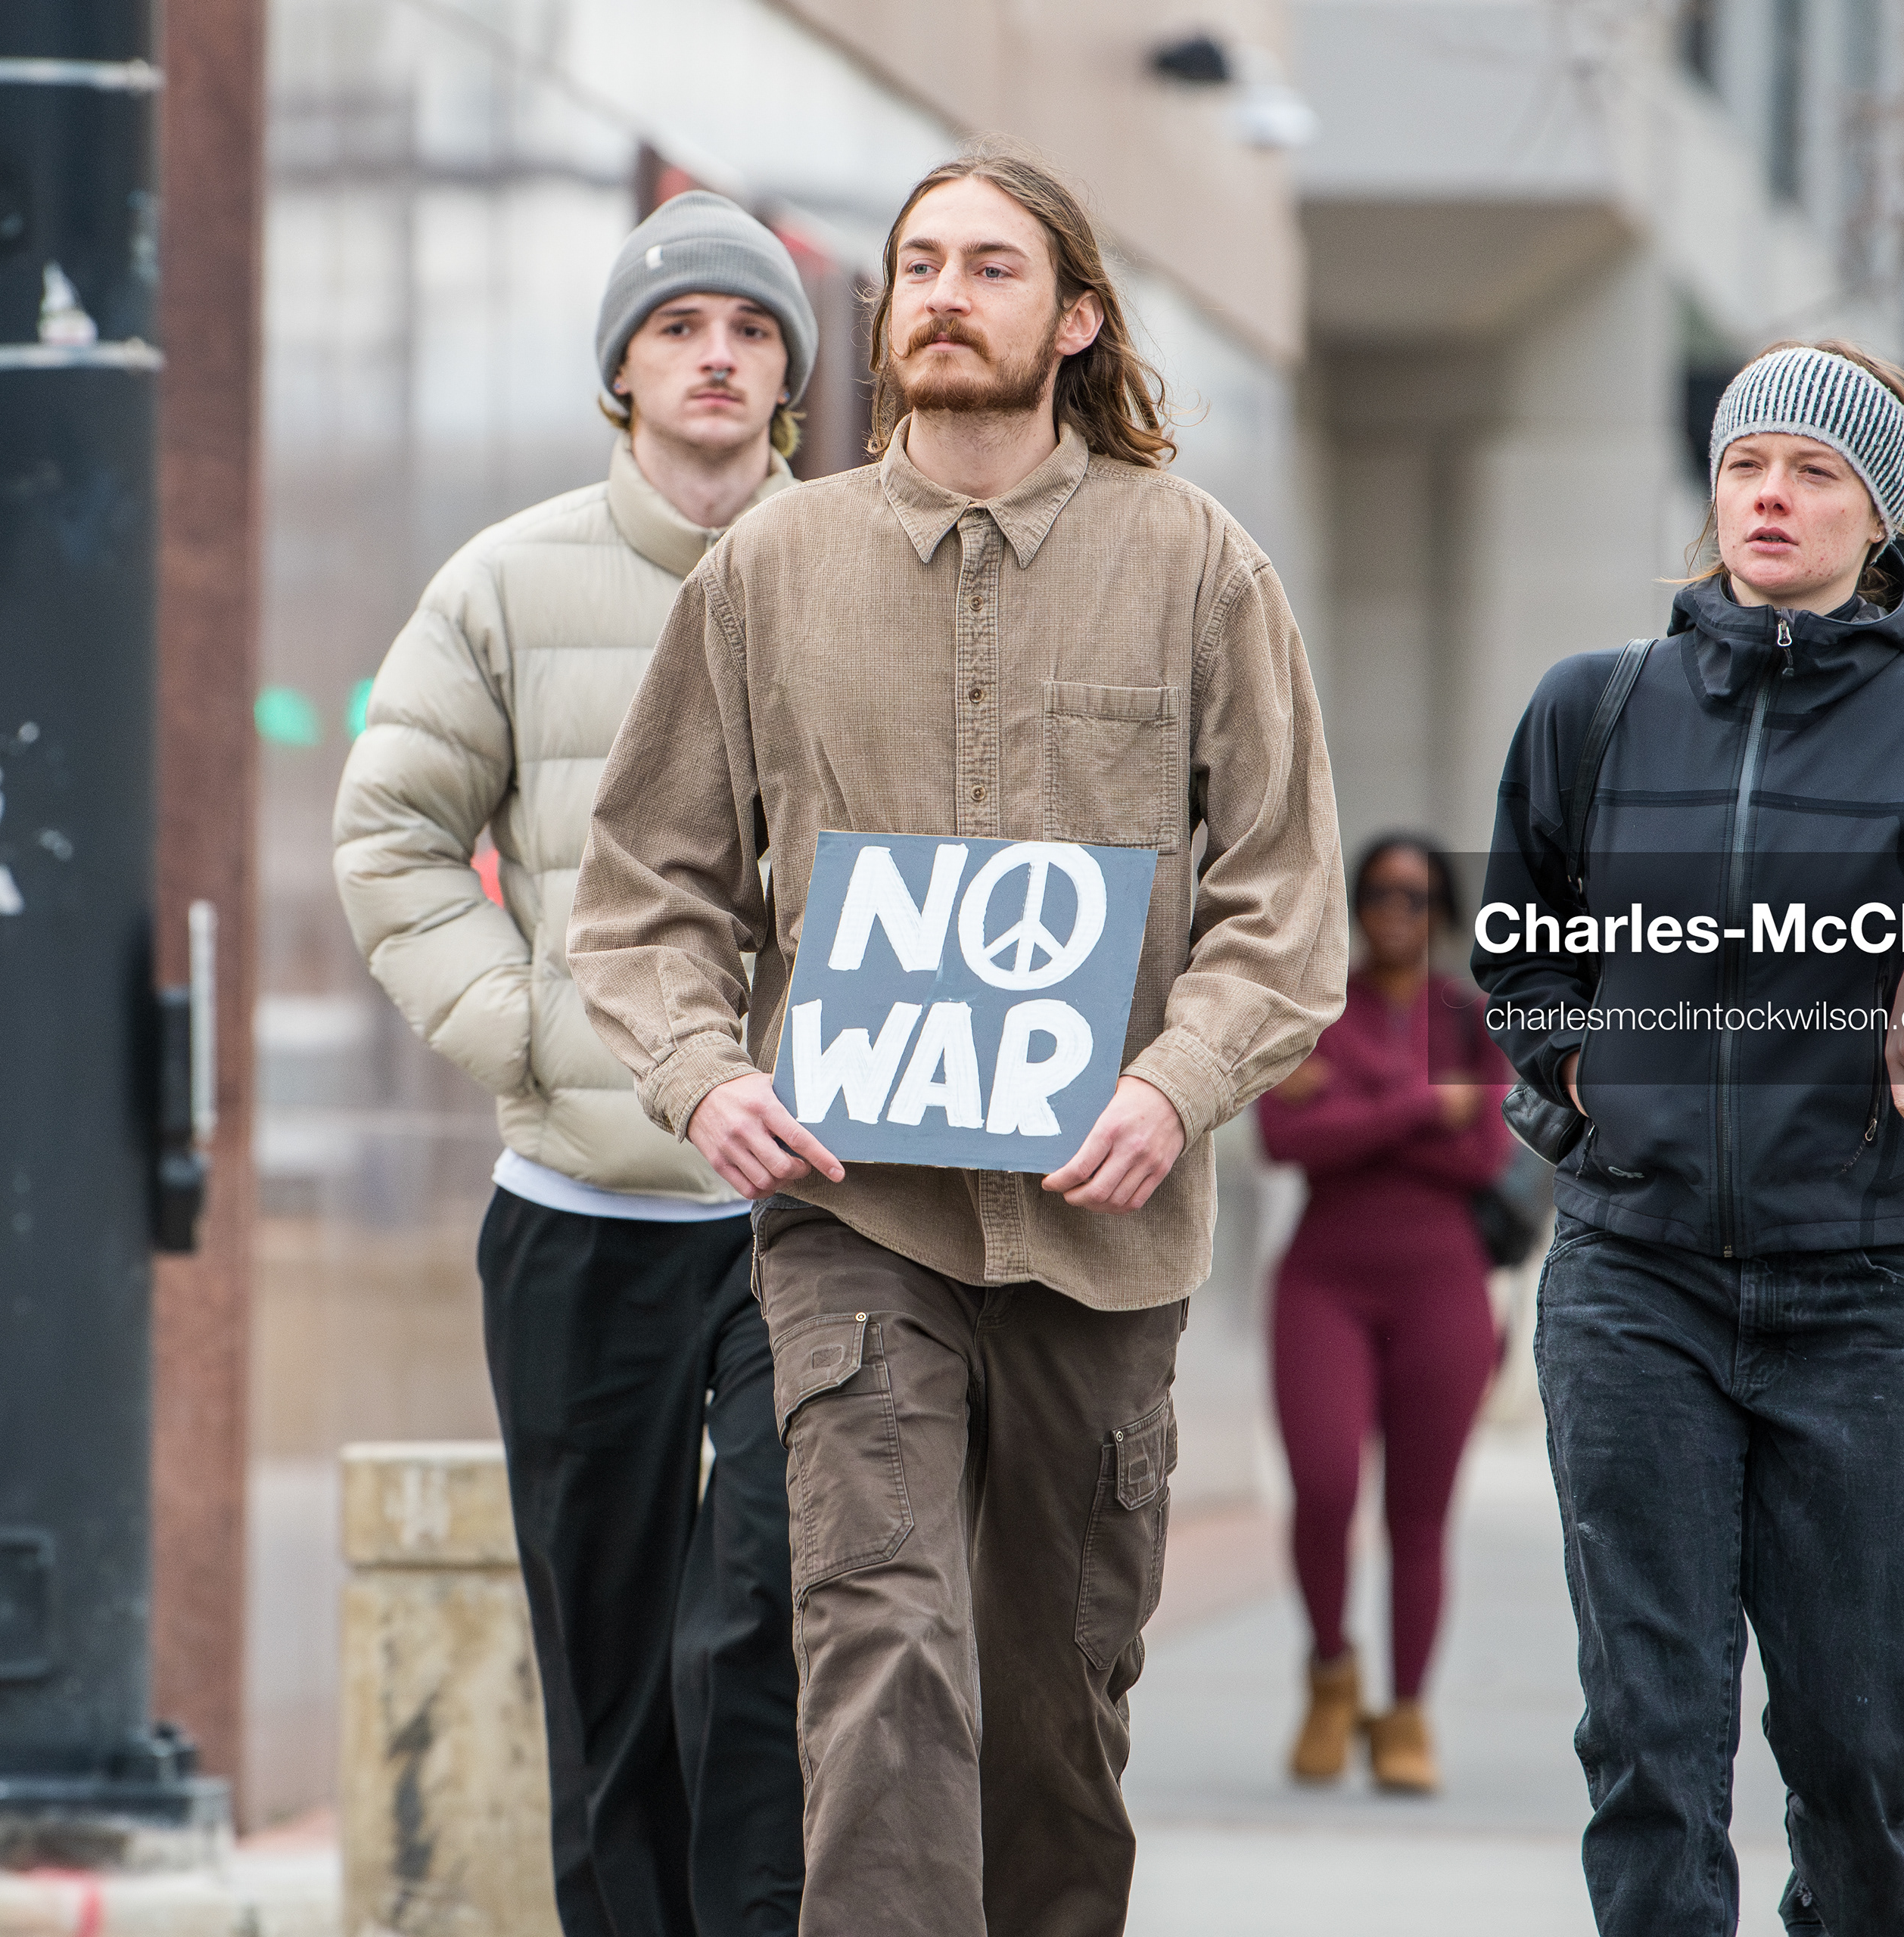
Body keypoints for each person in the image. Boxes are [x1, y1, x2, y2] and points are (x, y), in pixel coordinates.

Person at [566, 144, 1346, 1937]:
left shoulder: (1196, 567)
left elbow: (1284, 899)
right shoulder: (769, 568)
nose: (938, 293)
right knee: (881, 1644)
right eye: (917, 262)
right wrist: (706, 1072)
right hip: (859, 1212)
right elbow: (642, 885)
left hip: (1104, 1226)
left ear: (1071, 317)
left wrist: (1174, 1080)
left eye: (988, 266)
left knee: (1057, 1704)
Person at [1473, 340, 1904, 1936]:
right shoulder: (1593, 709)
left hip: (1861, 1296)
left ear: (1881, 519)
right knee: (1648, 1740)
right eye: (1746, 466)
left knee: (1862, 1751)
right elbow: (1518, 939)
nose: (1772, 496)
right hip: (1632, 1285)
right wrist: (1570, 1072)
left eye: (1816, 473)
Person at [331, 189, 815, 1937]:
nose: (715, 354)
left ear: (789, 381)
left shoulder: (850, 571)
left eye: (751, 331)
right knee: (602, 1661)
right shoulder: (503, 581)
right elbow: (388, 837)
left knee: (751, 1637)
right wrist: (526, 1030)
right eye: (680, 326)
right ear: (620, 370)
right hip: (579, 1209)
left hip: (803, 1217)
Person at [1256, 833, 1511, 1793]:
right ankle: (1331, 1671)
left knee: (1421, 1513)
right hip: (1325, 1281)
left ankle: (1406, 1712)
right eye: (1377, 893)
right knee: (1322, 1489)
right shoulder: (1315, 1008)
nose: (1395, 910)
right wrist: (1419, 1106)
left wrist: (1357, 1102)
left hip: (1442, 1286)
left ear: (1439, 906)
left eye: (1414, 894)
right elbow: (1285, 1135)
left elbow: (1481, 1155)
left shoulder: (1471, 1017)